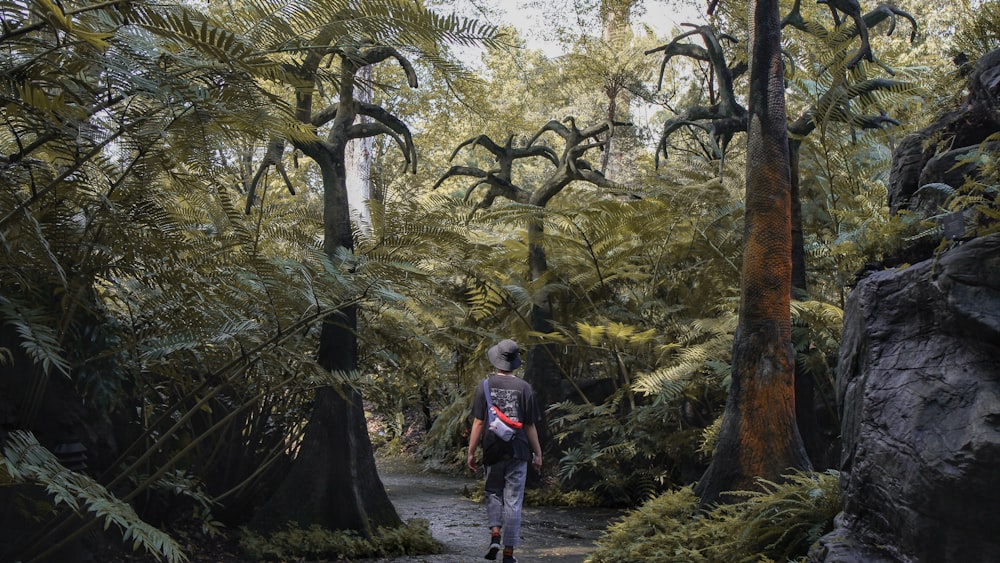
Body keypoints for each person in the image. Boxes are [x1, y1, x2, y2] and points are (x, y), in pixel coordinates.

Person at [467, 339, 543, 563]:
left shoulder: (485, 386)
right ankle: (509, 554)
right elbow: (529, 425)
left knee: (492, 492)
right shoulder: (525, 388)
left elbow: (479, 423)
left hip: (492, 449)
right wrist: (537, 453)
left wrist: (471, 451)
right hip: (518, 450)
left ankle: (495, 534)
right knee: (514, 500)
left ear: (497, 359)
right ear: (515, 362)